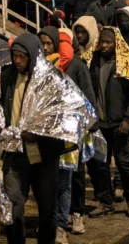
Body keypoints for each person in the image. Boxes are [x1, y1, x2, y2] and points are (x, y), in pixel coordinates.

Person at [0, 34, 67, 244]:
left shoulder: (51, 79)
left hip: (44, 154)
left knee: (47, 208)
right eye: (15, 56)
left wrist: (39, 132)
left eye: (23, 56)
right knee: (13, 207)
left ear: (33, 56)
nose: (18, 61)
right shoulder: (5, 76)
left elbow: (59, 111)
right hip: (15, 155)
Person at [36, 28, 95, 242]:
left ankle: (64, 223)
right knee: (45, 184)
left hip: (70, 134)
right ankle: (50, 223)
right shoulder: (38, 68)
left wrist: (88, 124)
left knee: (67, 181)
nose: (44, 47)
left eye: (48, 43)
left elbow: (87, 96)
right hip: (44, 134)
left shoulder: (75, 66)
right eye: (41, 43)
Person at [83, 28, 129, 218]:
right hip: (99, 124)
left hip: (120, 124)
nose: (104, 46)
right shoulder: (92, 62)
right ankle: (105, 202)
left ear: (116, 43)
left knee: (123, 163)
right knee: (100, 165)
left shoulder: (126, 63)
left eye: (108, 42)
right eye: (102, 42)